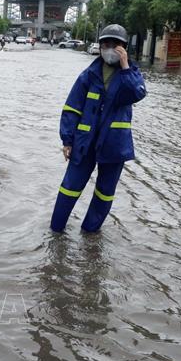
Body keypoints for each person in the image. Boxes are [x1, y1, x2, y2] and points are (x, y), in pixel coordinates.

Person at [50, 24, 146, 233]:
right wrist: (67, 140)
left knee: (104, 194)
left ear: (124, 48)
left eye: (116, 45)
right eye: (106, 44)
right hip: (84, 143)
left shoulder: (132, 74)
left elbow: (137, 94)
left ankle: (90, 235)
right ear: (100, 46)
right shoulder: (89, 74)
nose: (110, 48)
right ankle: (55, 234)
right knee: (69, 189)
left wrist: (125, 65)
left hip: (114, 146)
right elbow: (72, 108)